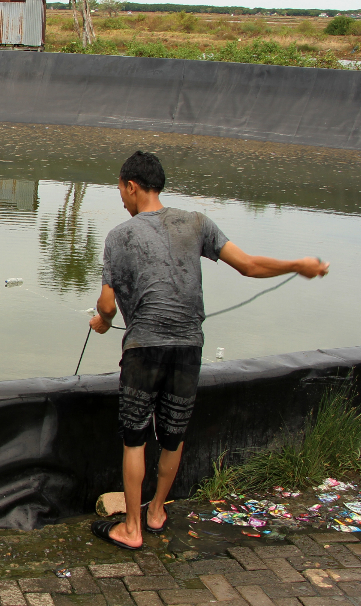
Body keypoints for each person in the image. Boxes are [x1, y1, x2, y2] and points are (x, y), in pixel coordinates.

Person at [89, 151, 329, 551]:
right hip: (188, 347)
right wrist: (297, 265)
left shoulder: (119, 236)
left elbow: (108, 304)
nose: (121, 200)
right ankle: (157, 512)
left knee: (135, 438)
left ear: (132, 186)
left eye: (120, 190)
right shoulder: (196, 222)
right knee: (173, 435)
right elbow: (249, 265)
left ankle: (131, 528)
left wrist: (101, 322)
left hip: (144, 348)